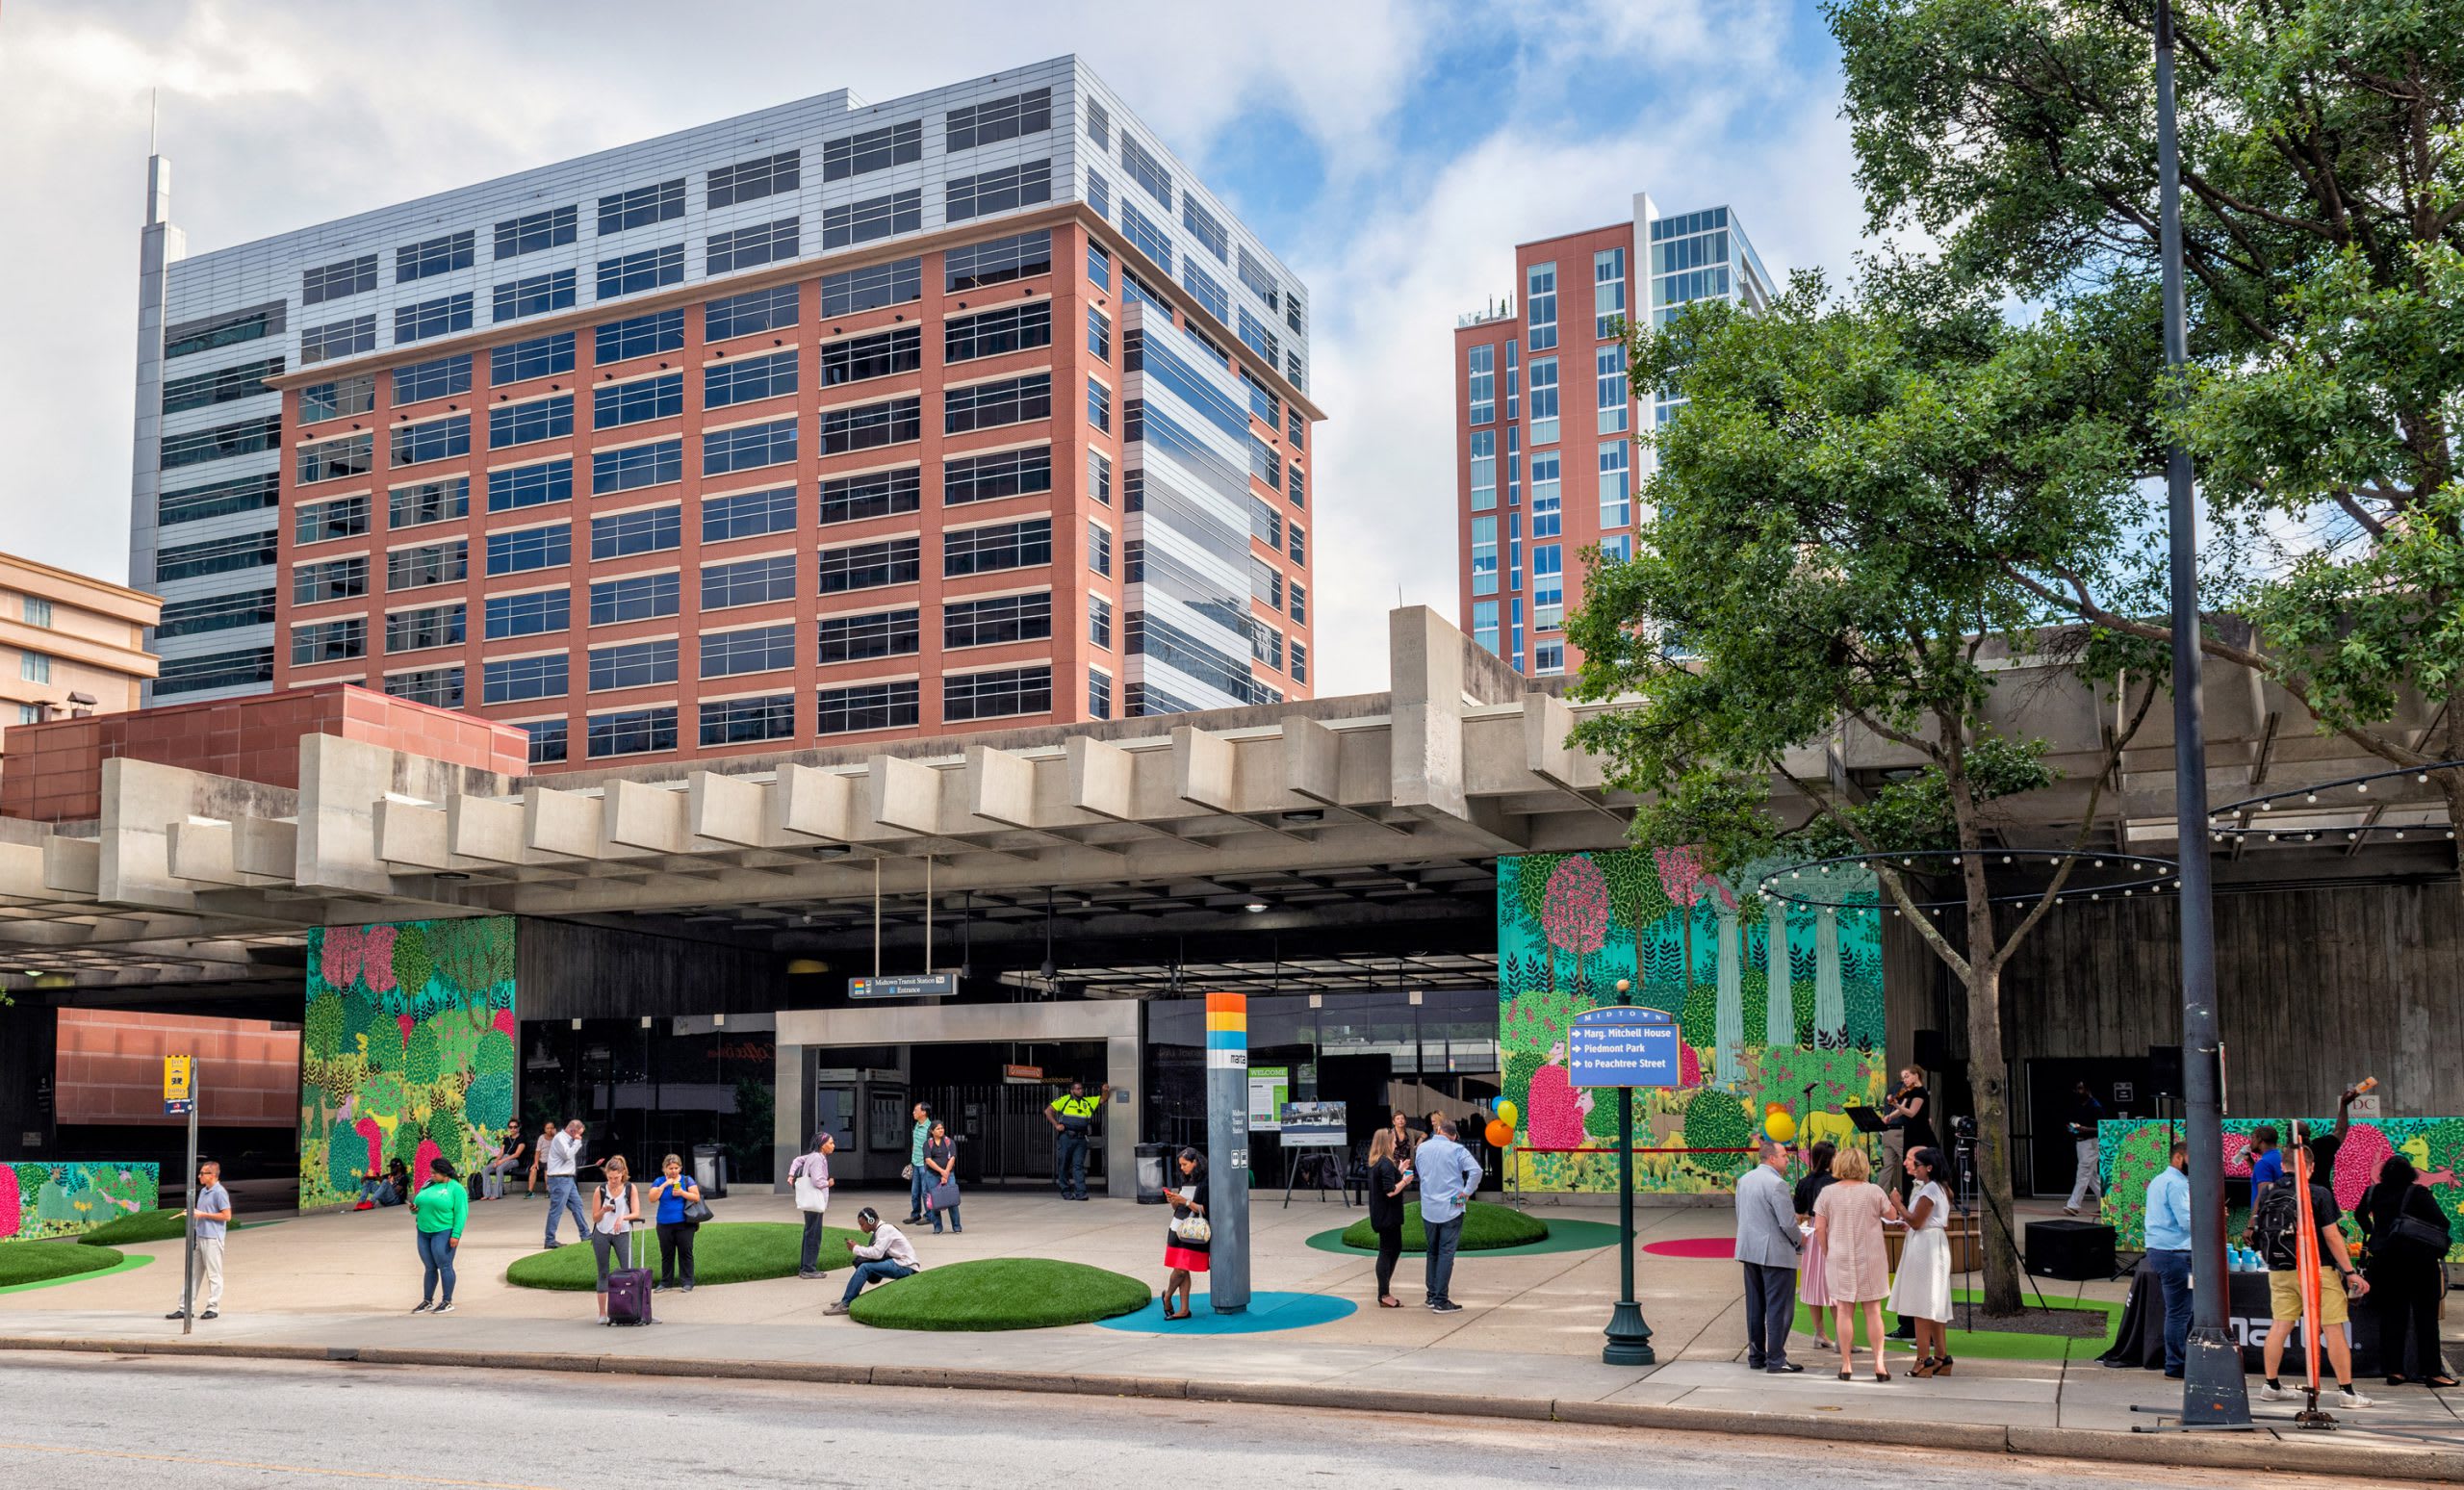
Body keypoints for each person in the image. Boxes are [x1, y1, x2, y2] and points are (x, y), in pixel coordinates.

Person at [2256, 1132, 2374, 1409]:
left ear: (2283, 1165)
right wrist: (2349, 1272)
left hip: (2279, 1269)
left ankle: (2271, 1384)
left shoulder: (2268, 1192)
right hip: (2315, 1270)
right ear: (2310, 1167)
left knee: (2280, 1325)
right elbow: (2333, 1237)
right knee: (2333, 1329)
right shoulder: (2318, 1193)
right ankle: (2347, 1393)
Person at [2359, 1154, 2456, 1388]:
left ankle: (2394, 1370)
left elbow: (2360, 1215)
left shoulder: (2374, 1192)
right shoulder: (2418, 1193)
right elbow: (2442, 1222)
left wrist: (2376, 1231)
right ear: (2410, 1173)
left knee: (2393, 1316)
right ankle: (2432, 1372)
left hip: (2385, 1262)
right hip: (2419, 1263)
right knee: (2426, 1318)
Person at [1813, 1146, 1898, 1381]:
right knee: (1873, 1310)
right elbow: (1891, 1216)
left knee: (1843, 1309)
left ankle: (1846, 1364)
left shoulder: (1827, 1193)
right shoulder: (1874, 1191)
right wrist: (1894, 1202)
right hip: (1870, 1255)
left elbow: (1820, 1227)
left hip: (1839, 1254)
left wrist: (1826, 1249)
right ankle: (1879, 1363)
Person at [1734, 1136, 1805, 1374]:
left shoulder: (1744, 1180)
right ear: (1772, 1158)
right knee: (1779, 1308)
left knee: (1755, 1306)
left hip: (1749, 1249)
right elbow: (1787, 1222)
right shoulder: (1777, 1184)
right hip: (1774, 1252)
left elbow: (1741, 1214)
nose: (1787, 1160)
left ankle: (1757, 1356)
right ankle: (1776, 1359)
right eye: (1784, 1156)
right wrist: (1800, 1239)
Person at [1889, 1147, 1956, 1376]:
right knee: (1933, 1302)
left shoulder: (1929, 1189)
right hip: (1933, 1242)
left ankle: (1923, 1360)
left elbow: (1917, 1221)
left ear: (1928, 1167)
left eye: (1916, 1164)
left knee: (1921, 1303)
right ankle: (1941, 1357)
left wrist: (1897, 1205)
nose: (1913, 1168)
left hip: (1925, 1246)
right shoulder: (1942, 1187)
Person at [1414, 1115, 1484, 1314]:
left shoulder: (1422, 1149)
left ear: (1438, 1131)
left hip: (1428, 1205)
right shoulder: (1457, 1150)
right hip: (1452, 1205)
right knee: (1446, 1252)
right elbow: (1476, 1171)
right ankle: (1441, 1299)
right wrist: (1466, 1194)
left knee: (1432, 1251)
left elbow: (1420, 1172)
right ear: (1454, 1136)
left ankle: (1431, 1295)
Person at [2142, 1140, 2194, 1379]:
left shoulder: (2159, 1180)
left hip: (2163, 1250)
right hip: (2175, 1252)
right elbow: (2186, 1222)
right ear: (2178, 1158)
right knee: (2180, 1312)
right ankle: (2176, 1364)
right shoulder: (2176, 1183)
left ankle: (2178, 1361)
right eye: (2192, 1159)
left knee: (2179, 1310)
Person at [164, 1159, 232, 1323]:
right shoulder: (204, 1191)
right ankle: (185, 1308)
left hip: (213, 1238)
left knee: (214, 1274)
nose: (199, 1175)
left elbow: (227, 1216)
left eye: (203, 1173)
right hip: (200, 1237)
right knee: (192, 1274)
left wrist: (202, 1215)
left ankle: (213, 1307)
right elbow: (201, 1212)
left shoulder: (219, 1192)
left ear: (213, 1175)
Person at [826, 1207, 920, 1315]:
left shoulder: (884, 1229)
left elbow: (877, 1253)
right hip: (901, 1263)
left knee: (864, 1268)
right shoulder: (881, 1229)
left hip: (906, 1266)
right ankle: (847, 1299)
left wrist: (856, 1248)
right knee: (865, 1266)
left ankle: (846, 1303)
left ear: (871, 1220)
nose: (861, 1228)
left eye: (862, 1224)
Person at [1794, 1141, 1839, 1352]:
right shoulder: (1835, 1182)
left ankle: (1820, 1332)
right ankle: (1842, 1336)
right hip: (1832, 1232)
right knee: (1836, 1287)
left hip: (1812, 1234)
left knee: (1814, 1284)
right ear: (1831, 1158)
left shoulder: (1804, 1182)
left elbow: (1797, 1214)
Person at [587, 1154, 642, 1323]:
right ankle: (602, 1314)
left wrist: (623, 1217)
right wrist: (604, 1210)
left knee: (628, 1270)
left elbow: (636, 1212)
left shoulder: (630, 1188)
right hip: (602, 1232)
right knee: (603, 1272)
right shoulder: (600, 1190)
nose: (613, 1181)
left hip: (622, 1231)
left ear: (623, 1173)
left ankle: (633, 1310)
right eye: (610, 1178)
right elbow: (595, 1218)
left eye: (616, 1177)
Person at [410, 1158, 467, 1315]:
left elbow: (461, 1213)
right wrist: (414, 1209)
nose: (432, 1175)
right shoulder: (429, 1184)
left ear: (444, 1172)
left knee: (445, 1265)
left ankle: (447, 1301)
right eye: (431, 1172)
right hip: (423, 1231)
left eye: (435, 1173)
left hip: (443, 1231)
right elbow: (419, 1204)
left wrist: (456, 1234)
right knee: (429, 1267)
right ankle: (427, 1300)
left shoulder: (456, 1188)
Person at [1160, 1147, 1210, 1320]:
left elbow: (1206, 1209)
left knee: (1181, 1269)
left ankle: (1167, 1296)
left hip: (1193, 1229)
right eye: (1180, 1165)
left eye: (1185, 1164)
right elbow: (1179, 1207)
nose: (1182, 1168)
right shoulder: (1185, 1179)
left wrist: (1185, 1201)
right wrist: (1174, 1201)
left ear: (1195, 1162)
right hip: (1177, 1227)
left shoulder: (1206, 1181)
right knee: (1182, 1269)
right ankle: (1184, 1309)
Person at [1366, 1127, 1414, 1308]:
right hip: (1387, 1216)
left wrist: (1399, 1171)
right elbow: (1390, 1191)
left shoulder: (1380, 1162)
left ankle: (1384, 1290)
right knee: (1387, 1250)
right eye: (1393, 1140)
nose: (1396, 1142)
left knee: (1394, 1248)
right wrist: (1405, 1181)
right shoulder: (1385, 1163)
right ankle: (1383, 1293)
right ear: (1386, 1143)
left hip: (1385, 1215)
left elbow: (1387, 1183)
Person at [650, 1153, 703, 1294]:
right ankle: (666, 1282)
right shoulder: (659, 1181)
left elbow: (696, 1197)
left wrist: (682, 1193)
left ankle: (687, 1282)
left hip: (684, 1223)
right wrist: (665, 1185)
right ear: (664, 1169)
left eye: (676, 1168)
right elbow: (652, 1198)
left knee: (686, 1252)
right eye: (670, 1168)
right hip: (664, 1223)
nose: (673, 1171)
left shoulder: (687, 1180)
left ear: (680, 1168)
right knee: (667, 1254)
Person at [1046, 1079, 1104, 1201]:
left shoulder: (1087, 1102)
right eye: (1078, 1089)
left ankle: (1081, 1193)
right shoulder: (1064, 1100)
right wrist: (1056, 1124)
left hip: (1081, 1138)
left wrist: (1105, 1091)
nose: (1081, 1090)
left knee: (1078, 1166)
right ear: (1072, 1091)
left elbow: (1103, 1099)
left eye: (1081, 1088)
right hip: (1066, 1137)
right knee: (1064, 1165)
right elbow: (1048, 1111)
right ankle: (1066, 1191)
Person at [1882, 1068, 1936, 1199]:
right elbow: (1901, 1111)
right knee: (1910, 1164)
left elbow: (1911, 1112)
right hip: (1910, 1131)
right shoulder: (1909, 1092)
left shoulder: (1920, 1092)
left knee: (1917, 1162)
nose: (1904, 1080)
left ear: (1916, 1075)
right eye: (1903, 1078)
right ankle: (1909, 1199)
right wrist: (1890, 1116)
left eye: (1907, 1076)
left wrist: (1896, 1104)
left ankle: (1925, 1196)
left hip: (1919, 1131)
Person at [790, 1133, 834, 1278]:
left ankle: (806, 1267)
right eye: (830, 1143)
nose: (833, 1146)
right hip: (815, 1202)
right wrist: (828, 1183)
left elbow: (797, 1160)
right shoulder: (817, 1158)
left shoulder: (813, 1156)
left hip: (810, 1202)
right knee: (814, 1235)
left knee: (810, 1233)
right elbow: (817, 1181)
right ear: (822, 1145)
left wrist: (791, 1175)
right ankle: (808, 1269)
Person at [543, 1118, 589, 1248]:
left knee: (577, 1205)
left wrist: (575, 1141)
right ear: (573, 1130)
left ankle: (585, 1234)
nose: (580, 1136)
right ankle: (550, 1240)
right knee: (556, 1209)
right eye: (579, 1133)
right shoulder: (560, 1138)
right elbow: (567, 1155)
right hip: (559, 1179)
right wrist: (578, 1141)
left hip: (568, 1178)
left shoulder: (568, 1139)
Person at [2063, 1081, 2104, 1216]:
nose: (2078, 1092)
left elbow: (2102, 1128)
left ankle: (2074, 1204)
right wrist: (2075, 1128)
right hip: (2081, 1142)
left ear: (2087, 1090)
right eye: (2077, 1089)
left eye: (2080, 1089)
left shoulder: (2095, 1107)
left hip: (2091, 1142)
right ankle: (2106, 1203)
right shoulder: (2081, 1105)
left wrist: (2084, 1129)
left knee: (2083, 1173)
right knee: (2092, 1176)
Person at [922, 1120, 962, 1235]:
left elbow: (952, 1158)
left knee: (952, 1201)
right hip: (932, 1175)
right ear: (932, 1131)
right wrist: (941, 1171)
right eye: (938, 1129)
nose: (941, 1130)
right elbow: (928, 1160)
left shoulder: (949, 1142)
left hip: (949, 1174)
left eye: (942, 1128)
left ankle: (957, 1226)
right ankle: (937, 1227)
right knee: (935, 1201)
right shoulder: (927, 1144)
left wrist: (946, 1173)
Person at [904, 1102, 933, 1223]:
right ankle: (915, 1214)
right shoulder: (916, 1125)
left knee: (926, 1192)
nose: (913, 1112)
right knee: (915, 1192)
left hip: (925, 1164)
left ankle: (929, 1215)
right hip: (916, 1163)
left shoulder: (930, 1128)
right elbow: (915, 1144)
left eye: (916, 1110)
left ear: (924, 1112)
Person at [483, 1122, 526, 1202]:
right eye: (511, 1127)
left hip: (514, 1160)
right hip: (504, 1158)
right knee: (485, 1169)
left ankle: (497, 1194)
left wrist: (502, 1161)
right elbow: (501, 1152)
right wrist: (496, 1161)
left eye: (515, 1127)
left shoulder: (521, 1139)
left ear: (518, 1128)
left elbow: (517, 1154)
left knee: (500, 1168)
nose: (513, 1129)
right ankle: (487, 1194)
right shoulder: (506, 1139)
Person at [526, 1118, 557, 1197]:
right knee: (533, 1170)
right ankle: (530, 1191)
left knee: (547, 1170)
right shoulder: (541, 1138)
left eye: (551, 1128)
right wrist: (536, 1163)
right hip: (541, 1161)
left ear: (554, 1129)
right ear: (545, 1129)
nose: (549, 1130)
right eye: (548, 1128)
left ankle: (548, 1190)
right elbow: (538, 1151)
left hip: (552, 1161)